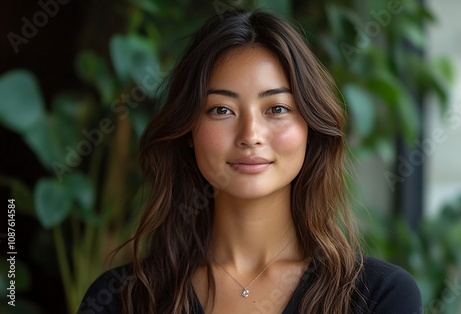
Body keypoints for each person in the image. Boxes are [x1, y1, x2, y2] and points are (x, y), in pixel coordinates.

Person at [78, 9, 422, 314]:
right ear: (188, 132)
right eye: (221, 110)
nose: (250, 135)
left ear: (310, 129)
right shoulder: (120, 300)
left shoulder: (378, 297)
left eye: (276, 109)